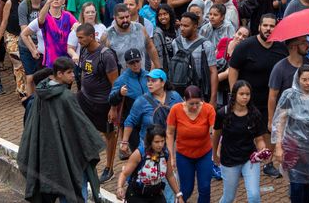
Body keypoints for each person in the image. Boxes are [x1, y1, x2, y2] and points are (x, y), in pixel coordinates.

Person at [17, 56, 105, 203]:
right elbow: (82, 130)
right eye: (70, 72)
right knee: (74, 193)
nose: (73, 75)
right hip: (70, 158)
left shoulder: (40, 94)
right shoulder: (66, 97)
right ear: (59, 74)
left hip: (47, 158)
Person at [271, 66, 309, 203]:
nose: (308, 83)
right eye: (304, 80)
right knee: (297, 186)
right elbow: (280, 121)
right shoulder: (289, 95)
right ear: (298, 79)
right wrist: (278, 146)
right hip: (294, 149)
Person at [75, 23, 120, 183]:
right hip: (85, 99)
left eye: (81, 38)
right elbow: (83, 73)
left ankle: (109, 168)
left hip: (103, 103)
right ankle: (85, 161)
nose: (78, 41)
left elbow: (115, 84)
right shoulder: (84, 50)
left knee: (109, 135)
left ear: (91, 36)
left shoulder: (106, 56)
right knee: (80, 129)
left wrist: (113, 108)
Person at [212, 80, 268, 203]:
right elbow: (216, 135)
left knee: (254, 195)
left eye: (247, 94)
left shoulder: (255, 114)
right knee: (229, 197)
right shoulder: (223, 113)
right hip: (229, 160)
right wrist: (214, 154)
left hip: (250, 159)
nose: (245, 97)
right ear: (234, 95)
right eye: (241, 94)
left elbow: (259, 139)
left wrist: (262, 149)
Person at [166, 86, 216, 203]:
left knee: (204, 187)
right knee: (186, 189)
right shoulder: (176, 110)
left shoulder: (208, 109)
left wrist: (216, 148)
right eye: (191, 104)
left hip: (204, 153)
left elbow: (214, 130)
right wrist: (171, 157)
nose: (194, 107)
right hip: (184, 155)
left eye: (197, 103)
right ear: (184, 100)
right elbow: (169, 133)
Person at [116, 125, 184, 203]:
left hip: (156, 195)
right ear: (150, 141)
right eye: (157, 142)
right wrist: (119, 187)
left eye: (162, 141)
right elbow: (124, 173)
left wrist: (178, 194)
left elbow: (170, 175)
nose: (160, 145)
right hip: (138, 196)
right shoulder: (140, 154)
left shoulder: (165, 154)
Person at [170, 12, 218, 104]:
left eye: (186, 26)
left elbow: (213, 71)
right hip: (178, 92)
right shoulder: (175, 43)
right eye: (181, 25)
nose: (182, 29)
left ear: (195, 27)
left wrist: (213, 98)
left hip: (198, 92)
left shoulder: (206, 45)